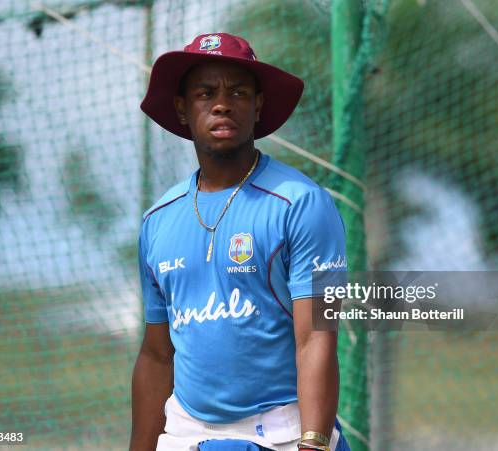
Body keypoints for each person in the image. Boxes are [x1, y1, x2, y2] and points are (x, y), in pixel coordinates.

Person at [130, 33, 351, 451]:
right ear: (182, 108)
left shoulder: (302, 203)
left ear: (259, 105)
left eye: (239, 92)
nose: (222, 103)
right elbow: (157, 355)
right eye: (205, 93)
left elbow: (316, 337)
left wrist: (314, 442)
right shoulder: (157, 220)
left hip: (283, 435)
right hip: (186, 435)